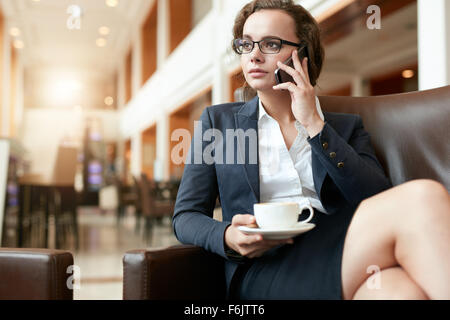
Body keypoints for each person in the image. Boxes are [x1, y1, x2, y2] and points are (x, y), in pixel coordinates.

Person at [172, 0, 450, 300]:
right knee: (423, 196)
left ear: (302, 54)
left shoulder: (344, 128)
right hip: (265, 264)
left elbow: (375, 198)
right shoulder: (218, 123)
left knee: (399, 292)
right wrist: (227, 235)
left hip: (346, 246)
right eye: (247, 44)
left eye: (270, 44)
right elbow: (185, 216)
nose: (253, 55)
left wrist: (315, 125)